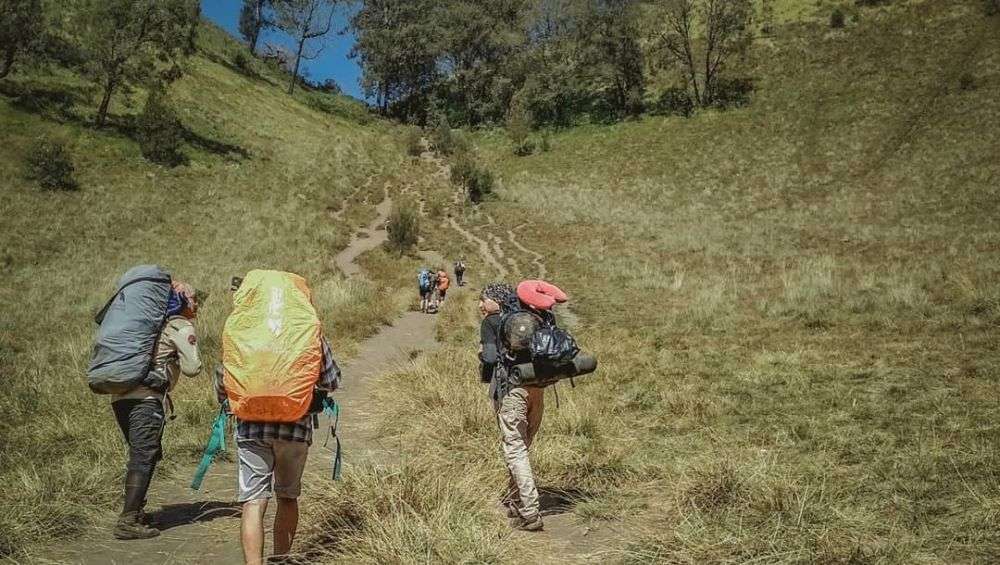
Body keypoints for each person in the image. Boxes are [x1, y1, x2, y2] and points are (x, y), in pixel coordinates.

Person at [217, 273, 341, 565]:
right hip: (295, 428)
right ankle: (280, 559)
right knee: (287, 497)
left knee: (253, 500)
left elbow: (223, 382)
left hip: (250, 426)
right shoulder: (306, 329)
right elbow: (332, 380)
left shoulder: (241, 328)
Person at [112, 281, 202, 540]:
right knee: (144, 455)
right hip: (147, 399)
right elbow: (193, 368)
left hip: (120, 397)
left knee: (142, 453)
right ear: (181, 301)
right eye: (193, 299)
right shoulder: (178, 325)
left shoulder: (146, 326)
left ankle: (136, 512)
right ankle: (128, 520)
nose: (196, 305)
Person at [478, 282, 545, 531]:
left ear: (495, 300)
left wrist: (481, 355)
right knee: (522, 447)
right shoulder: (535, 318)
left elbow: (490, 358)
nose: (480, 304)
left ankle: (530, 512)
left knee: (515, 449)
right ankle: (516, 501)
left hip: (511, 391)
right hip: (537, 388)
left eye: (483, 299)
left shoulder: (492, 322)